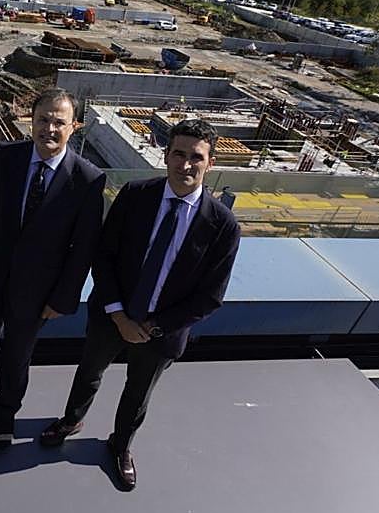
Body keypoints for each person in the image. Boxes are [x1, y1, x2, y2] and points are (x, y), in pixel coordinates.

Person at [39, 118, 241, 490]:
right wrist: (119, 316)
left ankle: (121, 445)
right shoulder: (135, 196)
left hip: (161, 333)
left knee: (139, 391)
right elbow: (104, 255)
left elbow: (210, 295)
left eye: (196, 157)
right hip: (112, 317)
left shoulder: (223, 225)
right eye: (178, 154)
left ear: (210, 163)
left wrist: (151, 328)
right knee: (89, 373)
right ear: (165, 156)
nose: (186, 165)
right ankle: (71, 420)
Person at [0, 88, 106, 451]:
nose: (49, 129)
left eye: (59, 122)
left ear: (75, 127)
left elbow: (83, 248)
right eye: (43, 120)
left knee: (17, 354)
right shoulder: (8, 156)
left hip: (39, 290)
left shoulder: (87, 179)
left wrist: (63, 297)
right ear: (30, 121)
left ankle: (5, 411)